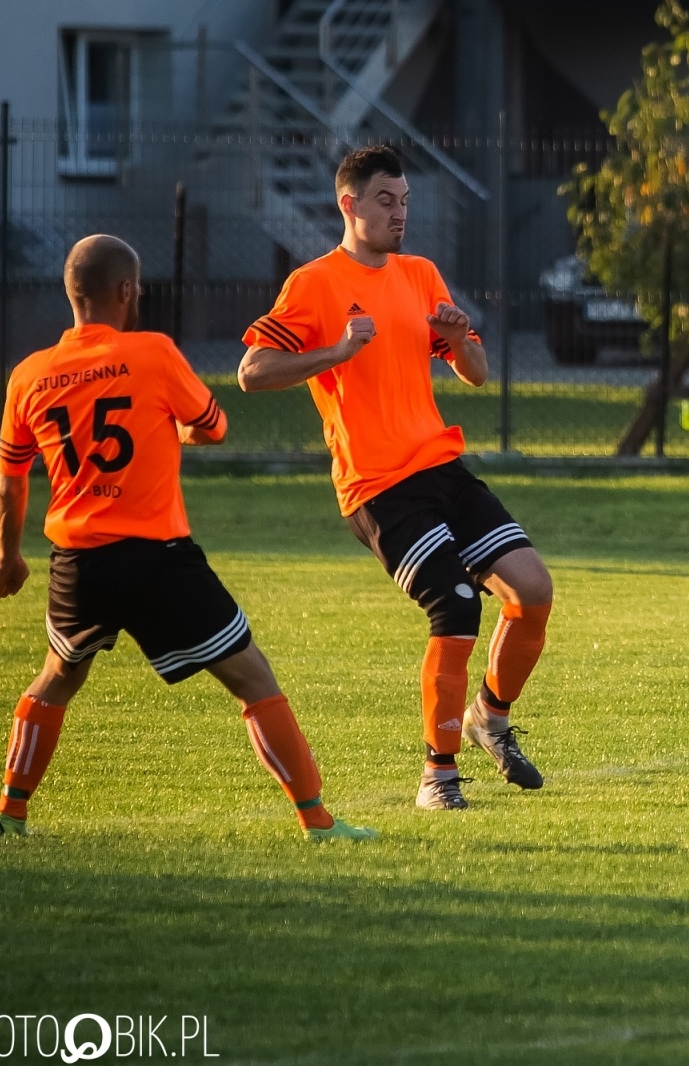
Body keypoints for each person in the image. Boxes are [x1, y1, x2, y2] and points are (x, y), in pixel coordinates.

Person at [0, 234, 375, 842]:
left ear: (72, 294)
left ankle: (9, 812)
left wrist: (8, 558)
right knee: (253, 678)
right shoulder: (153, 353)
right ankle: (318, 821)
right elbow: (212, 428)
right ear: (127, 291)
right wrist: (173, 432)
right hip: (157, 557)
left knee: (57, 676)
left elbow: (10, 480)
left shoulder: (29, 375)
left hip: (78, 561)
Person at [238, 145, 552, 811]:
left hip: (439, 466)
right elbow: (252, 372)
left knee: (532, 590)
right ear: (348, 204)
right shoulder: (314, 283)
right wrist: (337, 351)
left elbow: (475, 374)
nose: (399, 213)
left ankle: (490, 719)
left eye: (405, 202)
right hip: (377, 486)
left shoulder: (420, 274)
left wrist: (459, 339)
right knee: (457, 606)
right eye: (386, 201)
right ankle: (438, 776)